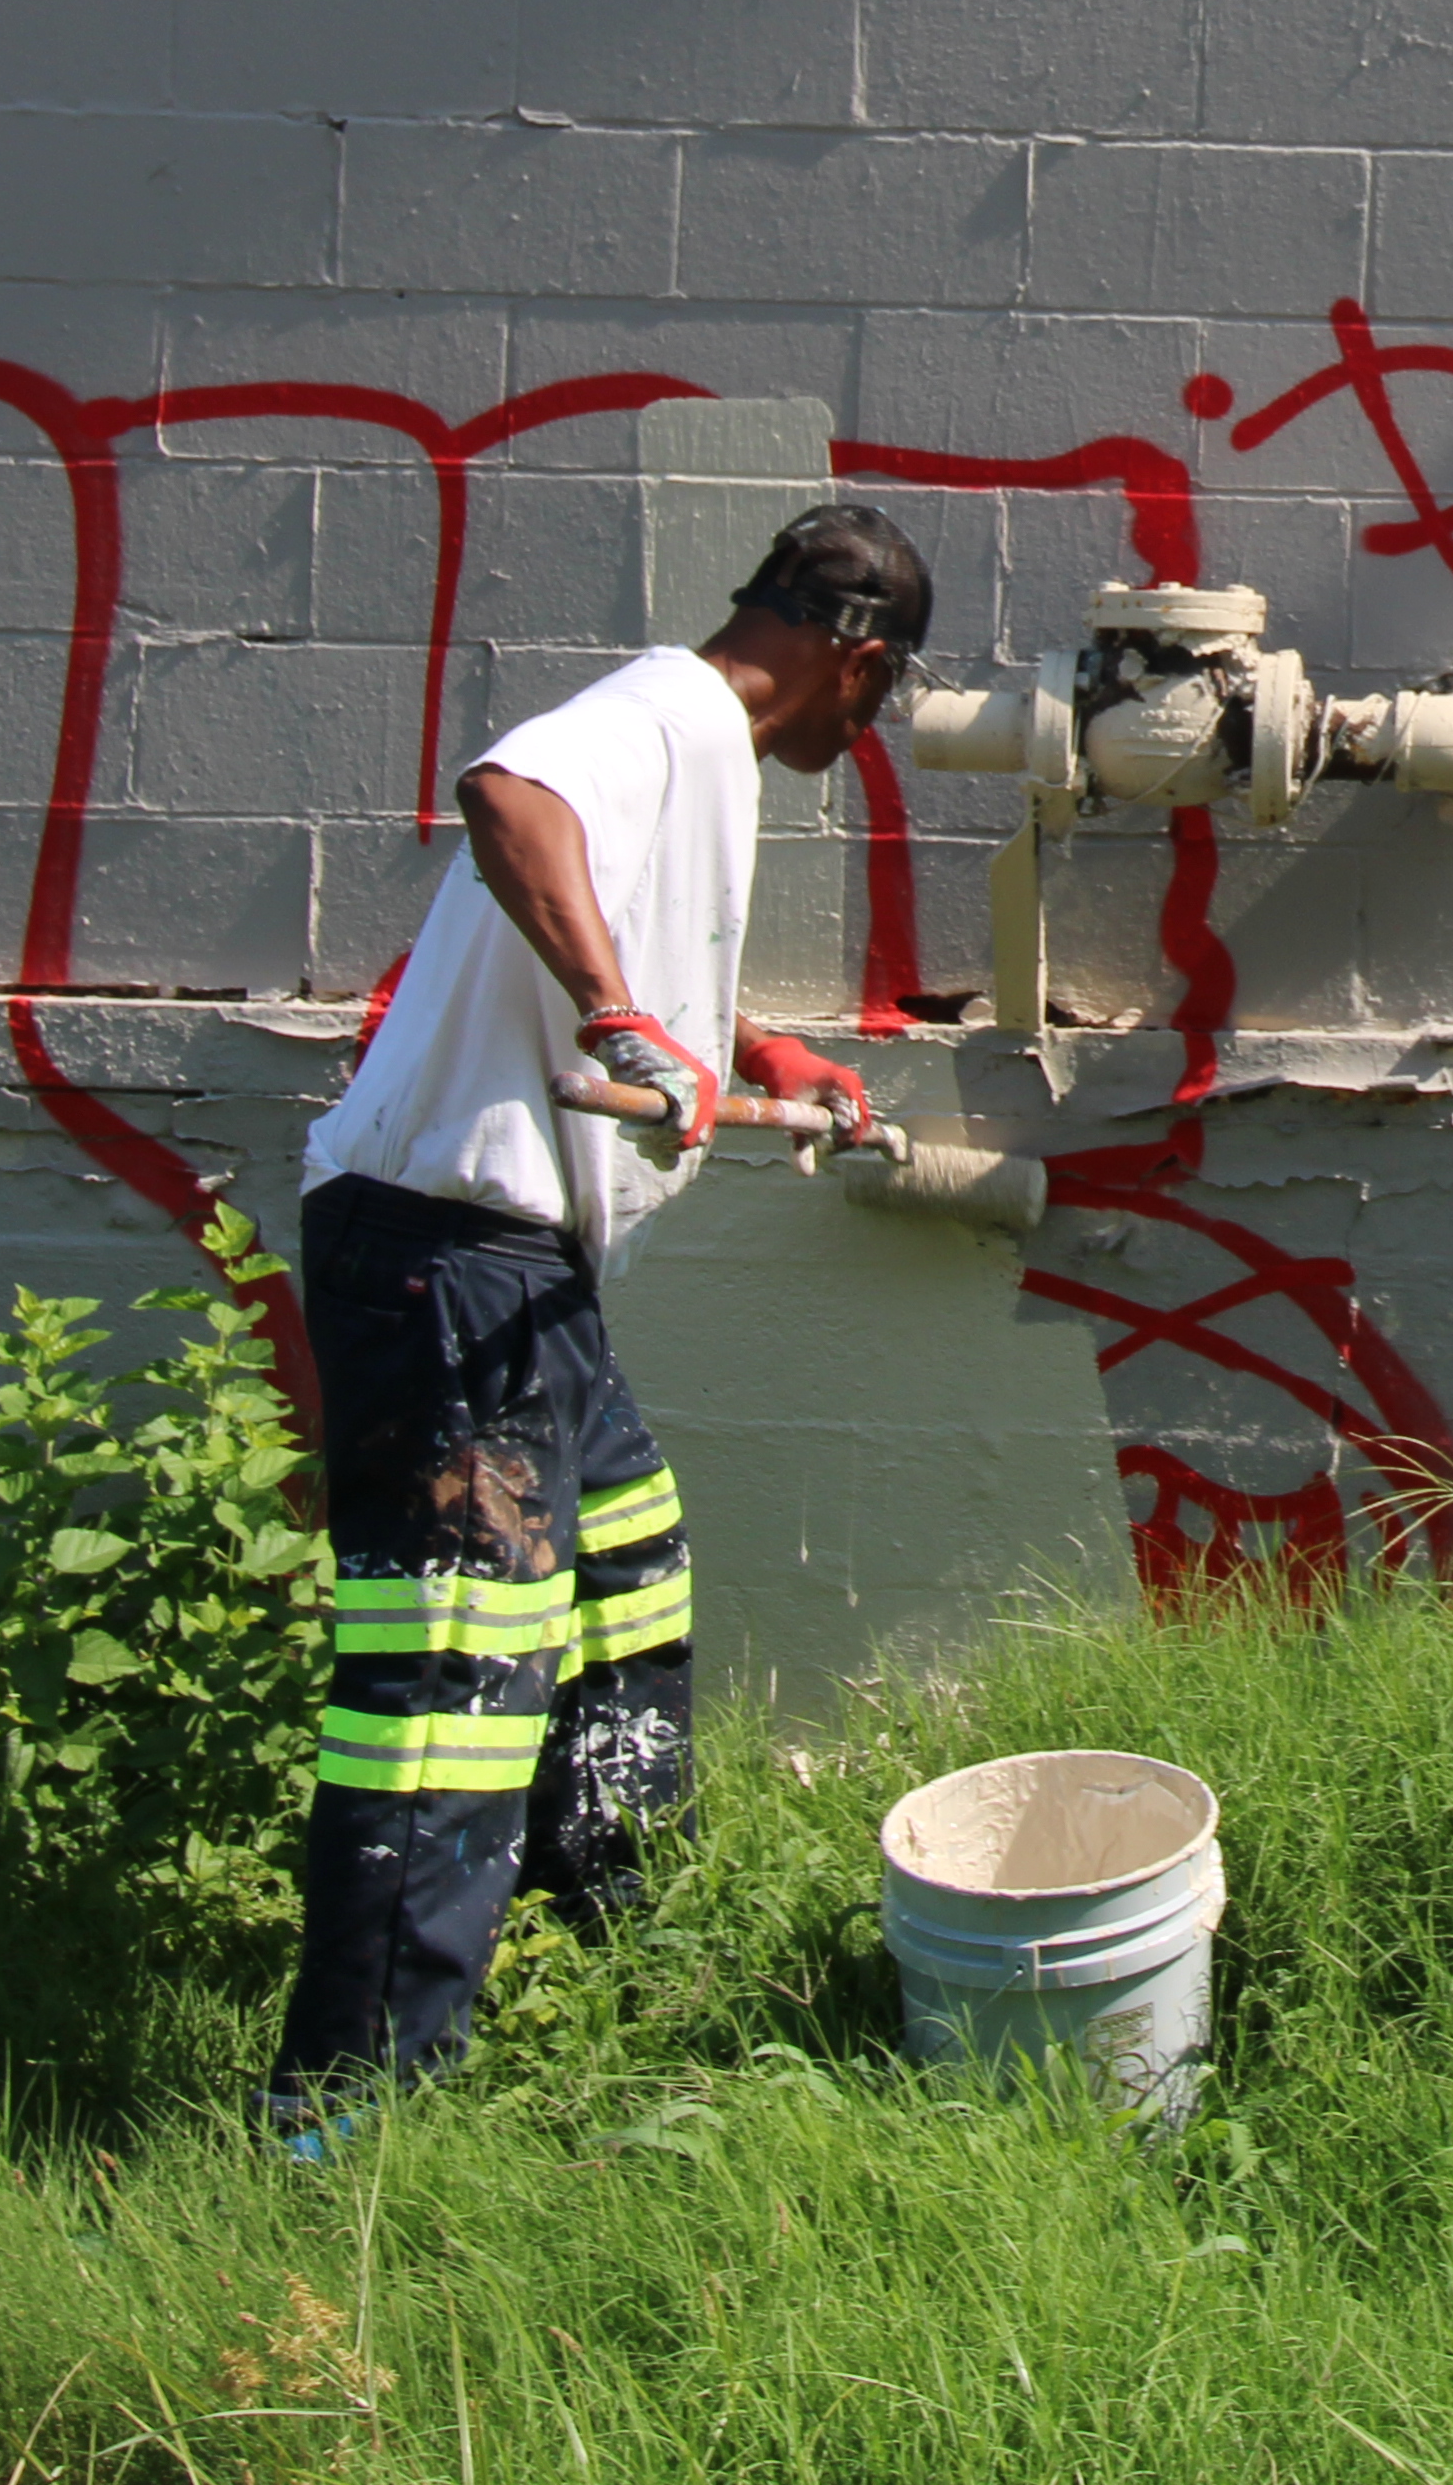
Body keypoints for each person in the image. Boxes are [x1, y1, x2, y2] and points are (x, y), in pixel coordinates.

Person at [265, 500, 931, 2113]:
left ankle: (604, 1976)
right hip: (443, 1257)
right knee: (451, 1694)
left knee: (627, 1589)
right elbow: (512, 799)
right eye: (888, 689)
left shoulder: (694, 751)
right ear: (856, 655)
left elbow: (602, 919)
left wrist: (747, 1043)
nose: (879, 725)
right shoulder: (665, 714)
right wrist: (626, 1020)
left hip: (516, 1272)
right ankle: (342, 2121)